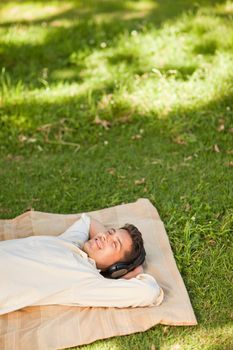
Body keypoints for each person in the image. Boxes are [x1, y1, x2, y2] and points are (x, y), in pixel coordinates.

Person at [0, 213, 164, 315]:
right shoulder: (71, 241)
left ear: (117, 269)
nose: (104, 237)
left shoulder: (87, 281)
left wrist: (132, 272)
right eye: (109, 232)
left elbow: (148, 291)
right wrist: (107, 240)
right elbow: (87, 221)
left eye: (115, 244)